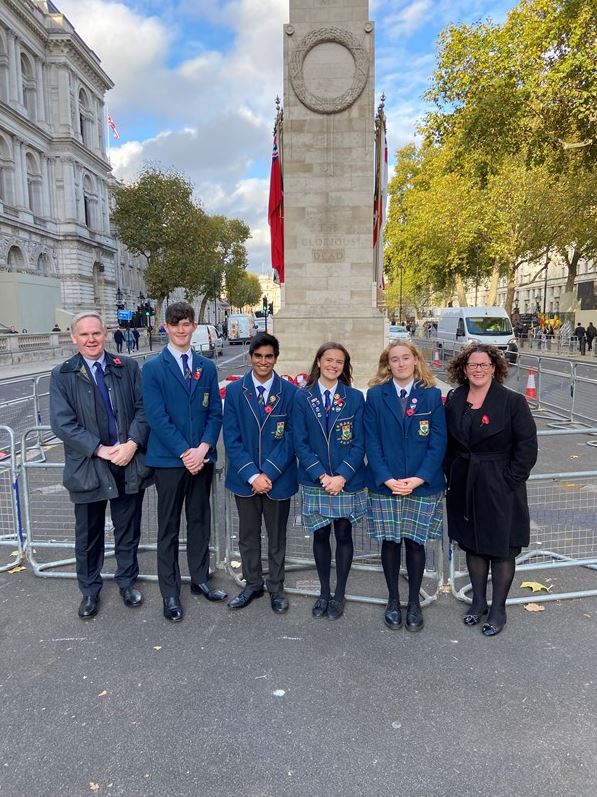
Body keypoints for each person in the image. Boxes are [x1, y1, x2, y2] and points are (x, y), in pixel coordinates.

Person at [49, 311, 152, 619]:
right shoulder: (63, 374)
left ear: (105, 334)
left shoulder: (127, 367)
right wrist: (99, 449)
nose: (91, 339)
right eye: (84, 334)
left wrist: (132, 444)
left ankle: (127, 583)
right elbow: (62, 423)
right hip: (88, 467)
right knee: (88, 534)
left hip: (127, 461)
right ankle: (90, 591)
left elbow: (144, 409)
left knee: (127, 530)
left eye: (96, 333)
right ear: (74, 338)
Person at [444, 344, 538, 637]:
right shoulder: (455, 398)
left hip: (500, 485)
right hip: (464, 481)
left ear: (494, 368)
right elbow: (448, 441)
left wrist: (510, 479)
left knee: (501, 548)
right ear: (464, 368)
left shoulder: (512, 402)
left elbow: (527, 446)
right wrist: (450, 471)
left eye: (484, 364)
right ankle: (478, 602)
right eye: (473, 364)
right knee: (472, 543)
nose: (478, 369)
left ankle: (498, 609)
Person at [142, 301, 224, 623]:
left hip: (200, 459)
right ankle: (170, 592)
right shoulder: (152, 368)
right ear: (166, 327)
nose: (180, 329)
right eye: (174, 324)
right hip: (170, 461)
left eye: (186, 323)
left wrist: (203, 448)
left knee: (200, 520)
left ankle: (200, 578)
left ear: (193, 326)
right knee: (169, 527)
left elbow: (214, 413)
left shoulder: (206, 367)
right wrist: (185, 452)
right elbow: (157, 417)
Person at [365, 341, 446, 632]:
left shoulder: (431, 395)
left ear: (415, 361)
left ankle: (413, 602)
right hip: (387, 484)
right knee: (390, 542)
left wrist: (419, 478)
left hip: (421, 484)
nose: (400, 364)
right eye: (394, 359)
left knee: (415, 543)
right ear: (388, 364)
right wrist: (386, 478)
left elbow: (438, 441)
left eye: (405, 358)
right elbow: (371, 440)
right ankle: (392, 600)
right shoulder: (376, 396)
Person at [224, 332, 298, 613]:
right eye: (258, 356)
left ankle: (276, 587)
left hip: (278, 479)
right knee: (247, 536)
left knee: (277, 538)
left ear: (276, 358)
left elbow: (292, 437)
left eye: (269, 356)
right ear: (250, 357)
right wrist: (253, 475)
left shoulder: (290, 392)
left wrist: (268, 472)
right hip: (245, 479)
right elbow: (231, 438)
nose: (263, 361)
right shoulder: (235, 391)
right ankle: (252, 584)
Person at [292, 342, 367, 621]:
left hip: (346, 480)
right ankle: (324, 592)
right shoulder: (303, 397)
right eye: (329, 360)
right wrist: (323, 476)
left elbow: (360, 443)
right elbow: (299, 442)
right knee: (320, 535)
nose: (333, 365)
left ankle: (340, 593)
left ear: (344, 366)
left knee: (344, 535)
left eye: (339, 361)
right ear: (319, 362)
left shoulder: (355, 398)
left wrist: (342, 476)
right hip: (317, 480)